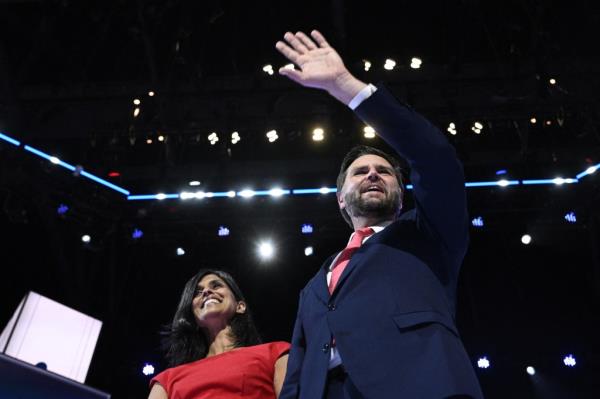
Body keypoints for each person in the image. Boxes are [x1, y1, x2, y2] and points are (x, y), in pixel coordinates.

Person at [275, 30, 484, 399]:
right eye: (360, 172)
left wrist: (345, 86)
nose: (372, 173)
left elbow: (436, 160)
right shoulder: (313, 287)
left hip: (420, 387)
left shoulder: (427, 236)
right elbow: (297, 372)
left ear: (401, 196)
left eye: (384, 171)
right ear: (341, 199)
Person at [148, 269, 290, 399]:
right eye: (197, 292)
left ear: (240, 306)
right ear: (193, 318)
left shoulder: (275, 353)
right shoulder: (166, 381)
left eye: (216, 286)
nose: (206, 292)